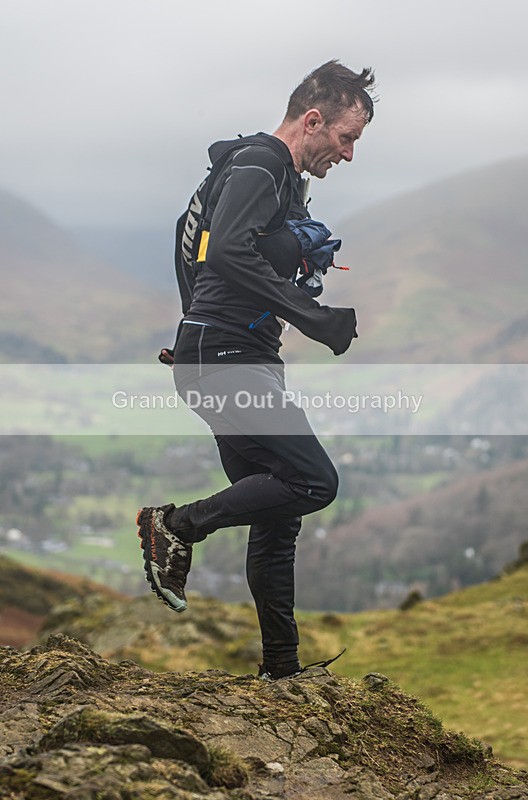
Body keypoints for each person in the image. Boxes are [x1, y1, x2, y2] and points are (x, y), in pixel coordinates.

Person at [137, 60, 375, 680]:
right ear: (314, 120)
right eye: (346, 139)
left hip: (227, 355)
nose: (348, 155)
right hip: (227, 359)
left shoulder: (263, 174)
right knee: (313, 482)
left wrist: (195, 328)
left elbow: (192, 245)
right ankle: (175, 525)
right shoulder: (261, 163)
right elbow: (232, 254)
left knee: (277, 517)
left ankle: (282, 669)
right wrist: (316, 318)